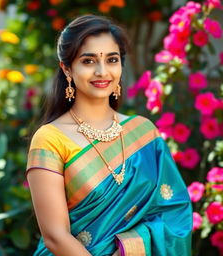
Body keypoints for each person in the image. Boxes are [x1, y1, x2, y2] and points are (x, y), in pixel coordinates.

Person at [25, 14, 193, 256]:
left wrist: (134, 246)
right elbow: (55, 236)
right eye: (89, 61)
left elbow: (174, 211)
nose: (102, 72)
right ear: (67, 68)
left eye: (112, 59)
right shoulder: (51, 139)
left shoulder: (144, 133)